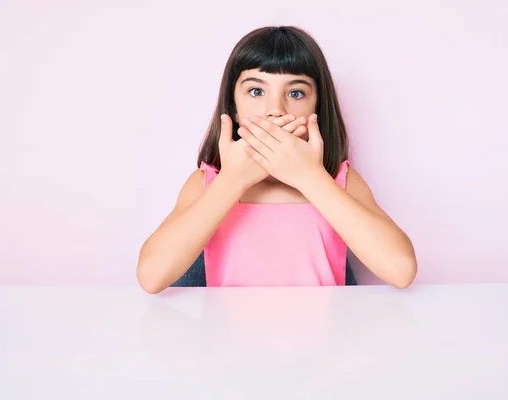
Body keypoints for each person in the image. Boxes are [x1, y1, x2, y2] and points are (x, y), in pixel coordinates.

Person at [136, 26, 417, 293]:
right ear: (233, 108)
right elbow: (151, 277)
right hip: (225, 342)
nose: (275, 109)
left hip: (328, 342)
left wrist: (309, 177)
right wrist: (233, 180)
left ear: (316, 107)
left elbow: (401, 271)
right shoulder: (207, 184)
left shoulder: (339, 181)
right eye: (257, 91)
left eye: (295, 93)